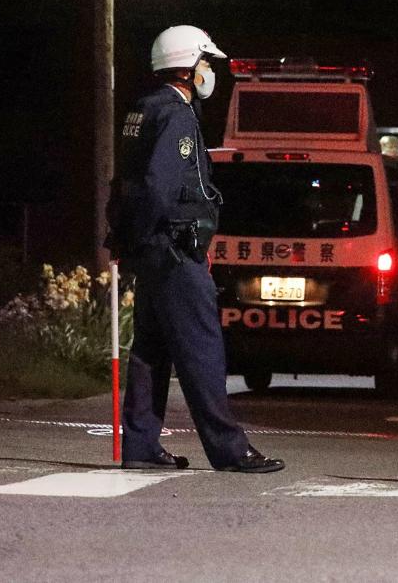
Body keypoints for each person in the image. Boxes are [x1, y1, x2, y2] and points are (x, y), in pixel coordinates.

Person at [107, 25, 284, 473]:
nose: (210, 73)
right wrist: (155, 239)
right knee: (202, 348)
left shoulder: (142, 110)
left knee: (150, 350)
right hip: (174, 251)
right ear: (188, 68)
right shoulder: (177, 116)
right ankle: (229, 449)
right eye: (207, 63)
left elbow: (126, 185)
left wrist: (124, 240)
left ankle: (142, 445)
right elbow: (159, 187)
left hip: (150, 250)